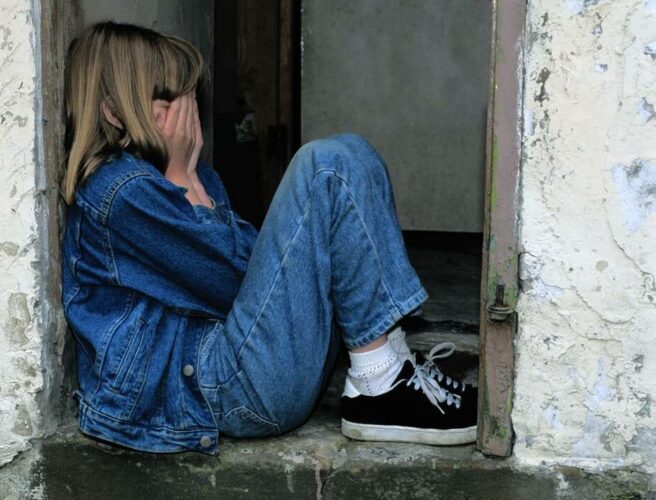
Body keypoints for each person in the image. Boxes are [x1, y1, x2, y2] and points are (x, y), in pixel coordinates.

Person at [59, 21, 477, 455]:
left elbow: (258, 277)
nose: (187, 118)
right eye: (168, 102)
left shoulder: (178, 178)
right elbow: (238, 280)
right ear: (112, 112)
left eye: (187, 100)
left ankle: (389, 368)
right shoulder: (121, 192)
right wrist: (185, 181)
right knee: (325, 166)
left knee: (351, 153)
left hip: (235, 366)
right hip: (215, 388)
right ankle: (380, 385)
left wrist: (193, 183)